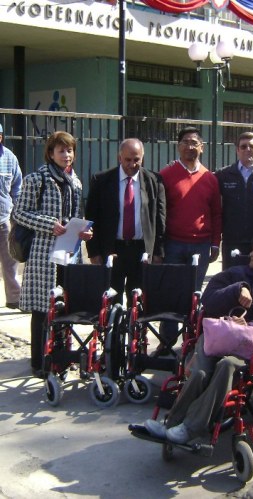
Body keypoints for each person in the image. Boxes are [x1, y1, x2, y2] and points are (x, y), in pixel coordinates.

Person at [141, 230, 253, 446]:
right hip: (218, 337)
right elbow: (208, 299)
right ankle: (170, 423)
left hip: (250, 346)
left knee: (227, 365)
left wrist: (251, 325)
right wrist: (237, 290)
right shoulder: (235, 274)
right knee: (199, 372)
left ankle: (189, 428)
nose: (252, 254)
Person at [13, 132, 92, 377]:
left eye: (69, 151)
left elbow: (76, 215)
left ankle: (61, 356)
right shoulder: (37, 179)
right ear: (50, 153)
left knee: (65, 306)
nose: (66, 155)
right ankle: (38, 362)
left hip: (69, 251)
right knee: (41, 308)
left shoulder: (75, 182)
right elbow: (19, 214)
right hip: (42, 254)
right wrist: (49, 224)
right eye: (61, 150)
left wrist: (83, 232)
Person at [157, 127, 222, 352]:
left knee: (194, 296)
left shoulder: (210, 178)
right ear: (178, 146)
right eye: (185, 142)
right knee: (171, 295)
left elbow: (215, 212)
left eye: (195, 143)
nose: (190, 146)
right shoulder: (165, 175)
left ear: (202, 148)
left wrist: (216, 242)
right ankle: (166, 344)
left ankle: (190, 344)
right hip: (173, 244)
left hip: (201, 245)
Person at [85, 138, 166, 305]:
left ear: (142, 158)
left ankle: (136, 331)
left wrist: (158, 252)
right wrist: (94, 253)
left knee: (138, 302)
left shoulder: (154, 181)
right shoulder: (101, 181)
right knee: (111, 301)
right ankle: (114, 332)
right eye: (128, 159)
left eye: (136, 159)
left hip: (141, 250)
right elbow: (92, 218)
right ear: (119, 157)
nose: (132, 164)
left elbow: (160, 219)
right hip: (112, 249)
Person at [216, 132, 253, 269]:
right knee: (232, 281)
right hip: (232, 240)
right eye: (243, 147)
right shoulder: (223, 175)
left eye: (252, 146)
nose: (247, 150)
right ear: (237, 150)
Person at [0, 123, 22, 309]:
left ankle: (14, 298)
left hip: (4, 218)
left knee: (10, 261)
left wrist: (17, 211)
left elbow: (17, 186)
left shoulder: (9, 158)